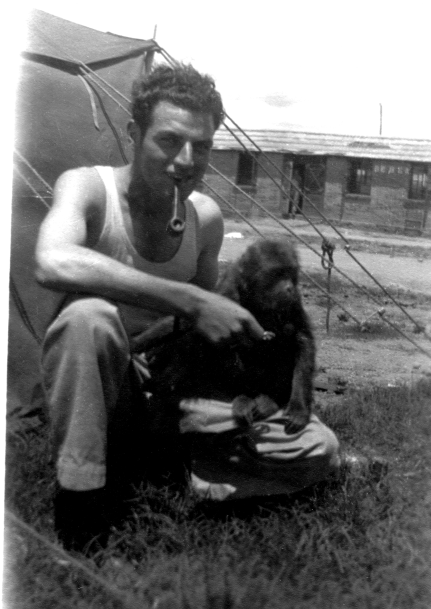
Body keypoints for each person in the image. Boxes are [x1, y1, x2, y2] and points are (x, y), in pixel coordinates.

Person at [35, 64, 339, 553]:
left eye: (202, 146)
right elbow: (51, 261)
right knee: (87, 317)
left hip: (172, 391)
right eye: (170, 140)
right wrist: (191, 298)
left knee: (317, 448)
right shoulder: (89, 189)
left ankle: (174, 465)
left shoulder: (204, 216)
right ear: (135, 134)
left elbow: (198, 337)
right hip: (109, 387)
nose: (186, 158)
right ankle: (81, 508)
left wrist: (247, 385)